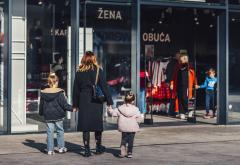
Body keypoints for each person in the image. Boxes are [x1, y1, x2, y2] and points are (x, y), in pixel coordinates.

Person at [72, 51, 113, 157]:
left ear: (84, 59)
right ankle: (98, 147)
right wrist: (109, 101)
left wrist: (75, 105)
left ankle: (86, 150)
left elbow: (75, 90)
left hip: (84, 100)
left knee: (85, 126)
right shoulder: (99, 70)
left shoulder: (79, 72)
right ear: (94, 59)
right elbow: (104, 87)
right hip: (96, 100)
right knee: (97, 124)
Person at [39, 73, 73, 155]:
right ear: (56, 82)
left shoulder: (44, 92)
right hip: (58, 115)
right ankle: (61, 148)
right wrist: (72, 108)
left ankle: (50, 150)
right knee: (60, 131)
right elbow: (64, 105)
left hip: (48, 116)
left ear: (49, 83)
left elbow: (41, 105)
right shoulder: (60, 92)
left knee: (50, 132)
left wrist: (41, 113)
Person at [107, 92, 143, 158]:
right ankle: (129, 153)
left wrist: (110, 109)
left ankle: (122, 153)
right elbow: (139, 119)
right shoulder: (136, 109)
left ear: (124, 100)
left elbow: (113, 113)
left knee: (123, 140)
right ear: (133, 101)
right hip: (132, 128)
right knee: (131, 140)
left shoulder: (120, 108)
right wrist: (138, 122)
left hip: (123, 127)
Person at [170, 50, 197, 120]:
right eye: (180, 58)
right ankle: (182, 113)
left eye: (181, 58)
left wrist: (196, 84)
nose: (180, 59)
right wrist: (172, 83)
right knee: (180, 99)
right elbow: (174, 76)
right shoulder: (178, 67)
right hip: (179, 86)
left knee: (187, 98)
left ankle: (190, 110)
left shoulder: (189, 66)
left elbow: (194, 76)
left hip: (188, 86)